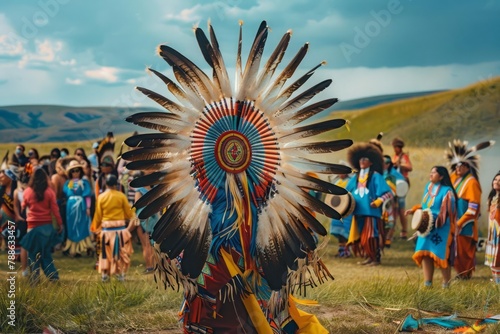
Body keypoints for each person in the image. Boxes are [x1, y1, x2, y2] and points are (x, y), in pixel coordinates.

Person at [446, 139, 494, 279]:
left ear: (468, 167)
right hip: (455, 221)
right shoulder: (456, 179)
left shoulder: (471, 182)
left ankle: (465, 273)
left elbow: (474, 208)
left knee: (464, 249)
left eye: (461, 166)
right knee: (456, 249)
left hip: (465, 223)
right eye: (455, 166)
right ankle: (460, 272)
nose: (457, 169)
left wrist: (461, 222)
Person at [405, 166, 457, 288]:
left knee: (440, 255)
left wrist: (437, 220)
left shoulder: (447, 191)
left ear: (442, 176)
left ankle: (446, 284)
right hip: (426, 227)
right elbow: (425, 205)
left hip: (441, 227)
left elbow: (450, 211)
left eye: (434, 172)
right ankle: (428, 284)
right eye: (431, 171)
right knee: (424, 254)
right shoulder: (428, 187)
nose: (431, 174)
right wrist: (415, 211)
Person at [346, 142, 393, 266]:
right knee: (362, 235)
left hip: (371, 212)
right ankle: (368, 257)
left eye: (365, 159)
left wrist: (378, 202)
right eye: (361, 158)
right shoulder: (355, 177)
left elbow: (388, 193)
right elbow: (345, 193)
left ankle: (375, 258)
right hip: (358, 211)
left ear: (371, 162)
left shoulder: (375, 176)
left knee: (371, 235)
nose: (362, 161)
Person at [21, 168, 63, 284]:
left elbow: (23, 206)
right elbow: (55, 209)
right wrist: (60, 224)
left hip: (32, 227)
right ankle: (53, 278)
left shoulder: (28, 191)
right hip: (47, 227)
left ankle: (34, 280)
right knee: (45, 254)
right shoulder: (49, 192)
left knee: (33, 255)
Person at [91, 174, 134, 282]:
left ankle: (105, 275)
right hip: (120, 229)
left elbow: (98, 215)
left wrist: (95, 227)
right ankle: (121, 275)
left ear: (106, 184)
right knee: (120, 253)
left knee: (105, 253)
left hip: (106, 230)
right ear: (116, 184)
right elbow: (129, 214)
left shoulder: (101, 197)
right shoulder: (121, 196)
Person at [62, 160, 94, 257]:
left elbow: (87, 196)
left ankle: (85, 247)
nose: (75, 172)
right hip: (70, 207)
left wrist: (88, 207)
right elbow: (67, 193)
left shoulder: (84, 182)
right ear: (70, 173)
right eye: (73, 171)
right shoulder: (68, 183)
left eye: (77, 170)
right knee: (72, 226)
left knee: (83, 225)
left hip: (81, 206)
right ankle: (73, 249)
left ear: (80, 171)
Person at [328, 161, 353, 257]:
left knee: (345, 230)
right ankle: (341, 250)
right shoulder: (336, 181)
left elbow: (352, 194)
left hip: (347, 210)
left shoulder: (351, 181)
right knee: (338, 231)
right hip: (337, 209)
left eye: (342, 171)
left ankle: (347, 251)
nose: (340, 174)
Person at [391, 137, 412, 239]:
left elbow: (409, 167)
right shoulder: (395, 156)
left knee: (401, 207)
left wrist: (400, 164)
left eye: (396, 147)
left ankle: (404, 230)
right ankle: (393, 228)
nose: (395, 149)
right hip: (395, 184)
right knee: (394, 207)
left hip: (402, 184)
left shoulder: (404, 157)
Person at [485, 171, 500, 284]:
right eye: (495, 179)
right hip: (492, 234)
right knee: (493, 261)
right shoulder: (492, 198)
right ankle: (496, 284)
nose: (497, 182)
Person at [13, 171, 29, 276]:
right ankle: (24, 269)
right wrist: (18, 215)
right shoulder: (17, 192)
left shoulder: (31, 190)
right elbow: (16, 205)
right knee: (23, 243)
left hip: (31, 217)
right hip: (23, 217)